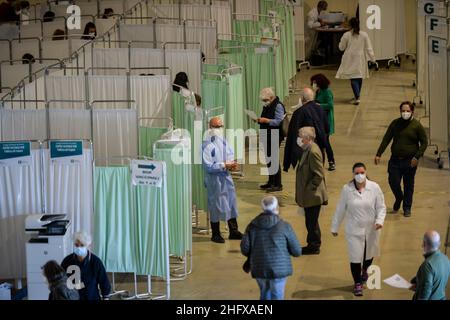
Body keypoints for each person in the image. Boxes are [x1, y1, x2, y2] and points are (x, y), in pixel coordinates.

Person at [331, 163, 386, 296]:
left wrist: (379, 221)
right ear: (353, 174)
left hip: (371, 229)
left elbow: (381, 207)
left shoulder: (374, 187)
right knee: (355, 257)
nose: (359, 175)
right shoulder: (347, 189)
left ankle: (365, 269)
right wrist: (335, 226)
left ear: (366, 172)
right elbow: (340, 209)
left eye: (362, 172)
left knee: (369, 254)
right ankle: (357, 283)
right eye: (356, 173)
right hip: (354, 230)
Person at [241, 196, 302, 300]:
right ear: (276, 208)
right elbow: (297, 251)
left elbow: (245, 249)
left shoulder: (252, 226)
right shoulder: (284, 226)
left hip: (259, 267)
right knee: (277, 295)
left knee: (265, 294)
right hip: (279, 268)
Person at [374, 101, 428, 217]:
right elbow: (386, 139)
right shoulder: (395, 124)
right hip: (395, 160)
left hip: (410, 161)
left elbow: (424, 142)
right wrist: (379, 154)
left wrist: (416, 156)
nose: (405, 113)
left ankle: (407, 208)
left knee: (409, 185)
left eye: (407, 111)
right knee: (393, 181)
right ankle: (399, 197)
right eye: (403, 111)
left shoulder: (416, 126)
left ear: (412, 111)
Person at [202, 117, 243, 243]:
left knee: (231, 203)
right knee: (215, 206)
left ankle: (234, 231)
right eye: (216, 126)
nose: (219, 128)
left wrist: (232, 164)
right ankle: (215, 233)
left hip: (226, 177)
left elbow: (230, 155)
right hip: (215, 180)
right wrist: (224, 165)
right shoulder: (206, 145)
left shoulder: (223, 140)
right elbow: (208, 167)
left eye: (220, 126)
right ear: (210, 127)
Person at [295, 127, 328, 255]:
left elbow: (319, 174)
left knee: (312, 221)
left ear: (307, 138)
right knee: (310, 221)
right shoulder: (307, 149)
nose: (299, 139)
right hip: (309, 193)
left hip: (313, 194)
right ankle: (313, 243)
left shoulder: (313, 152)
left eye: (300, 137)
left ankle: (314, 245)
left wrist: (310, 188)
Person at [283, 87, 329, 173]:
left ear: (302, 98)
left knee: (306, 176)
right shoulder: (321, 109)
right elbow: (327, 128)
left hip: (305, 150)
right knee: (318, 172)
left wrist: (288, 161)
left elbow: (292, 135)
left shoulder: (299, 113)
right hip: (319, 148)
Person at [336, 18, 376, 105]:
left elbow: (341, 47)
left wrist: (340, 43)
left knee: (353, 77)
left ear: (350, 25)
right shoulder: (364, 34)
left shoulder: (346, 35)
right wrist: (373, 59)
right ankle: (357, 95)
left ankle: (357, 97)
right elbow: (369, 48)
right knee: (358, 76)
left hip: (349, 59)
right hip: (360, 59)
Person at [61, 231, 111, 300]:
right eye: (76, 245)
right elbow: (61, 281)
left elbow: (104, 282)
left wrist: (106, 297)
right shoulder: (67, 261)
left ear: (88, 245)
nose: (79, 248)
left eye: (82, 245)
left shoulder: (96, 262)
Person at [257, 87, 286, 192]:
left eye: (265, 100)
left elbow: (278, 121)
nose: (264, 102)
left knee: (274, 160)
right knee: (269, 159)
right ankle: (271, 181)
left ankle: (278, 184)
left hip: (274, 135)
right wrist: (259, 120)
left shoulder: (278, 106)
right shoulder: (268, 105)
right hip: (267, 134)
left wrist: (266, 120)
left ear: (271, 97)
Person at [410, 231, 450, 300]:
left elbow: (425, 293)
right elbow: (437, 282)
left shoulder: (427, 265)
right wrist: (419, 285)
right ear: (439, 243)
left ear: (424, 244)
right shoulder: (446, 259)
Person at [311, 73, 335, 171]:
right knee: (320, 142)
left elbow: (330, 105)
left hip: (326, 120)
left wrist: (319, 105)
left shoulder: (327, 92)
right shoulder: (318, 91)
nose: (313, 85)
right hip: (318, 119)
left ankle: (331, 161)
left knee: (325, 141)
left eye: (315, 83)